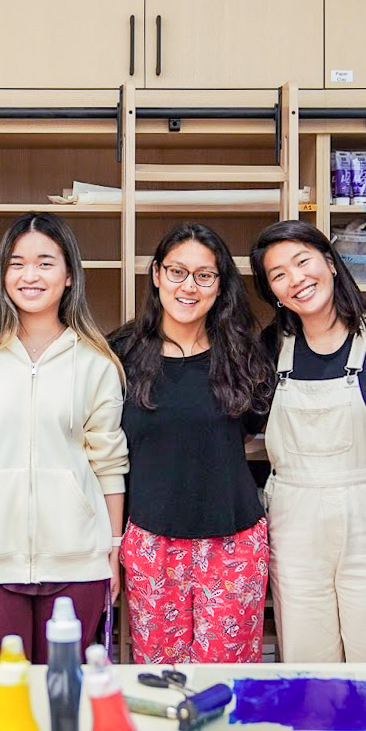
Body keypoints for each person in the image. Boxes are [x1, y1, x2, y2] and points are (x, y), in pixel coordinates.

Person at [0, 213, 128, 664]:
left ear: (69, 275)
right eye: (16, 264)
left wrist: (111, 551)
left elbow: (109, 463)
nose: (29, 275)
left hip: (79, 560)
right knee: (3, 696)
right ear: (2, 275)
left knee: (66, 697)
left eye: (45, 263)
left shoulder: (95, 362)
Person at [252, 220, 366, 663]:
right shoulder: (271, 346)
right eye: (278, 274)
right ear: (272, 291)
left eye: (303, 261)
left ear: (329, 261)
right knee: (307, 654)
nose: (296, 280)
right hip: (293, 514)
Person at [109, 223, 274, 663]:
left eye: (205, 275)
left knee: (227, 684)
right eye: (177, 271)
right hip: (150, 542)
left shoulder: (243, 352)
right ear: (157, 275)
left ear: (220, 286)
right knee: (160, 684)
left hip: (233, 542)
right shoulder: (118, 354)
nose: (189, 286)